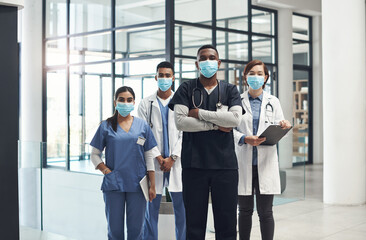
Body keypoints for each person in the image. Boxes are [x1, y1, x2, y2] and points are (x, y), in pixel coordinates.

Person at [168, 44, 244, 240]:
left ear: (218, 63)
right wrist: (217, 124)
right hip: (194, 165)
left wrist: (200, 114)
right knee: (194, 224)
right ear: (197, 64)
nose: (208, 61)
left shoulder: (230, 89)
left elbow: (235, 119)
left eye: (212, 58)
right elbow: (181, 122)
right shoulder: (186, 88)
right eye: (203, 58)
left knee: (227, 224)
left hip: (225, 166)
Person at [89, 86, 159, 240]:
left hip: (137, 184)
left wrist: (152, 185)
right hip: (114, 184)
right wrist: (107, 172)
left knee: (136, 231)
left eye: (129, 100)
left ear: (134, 102)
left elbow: (149, 156)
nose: (125, 102)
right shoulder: (106, 126)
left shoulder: (142, 126)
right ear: (115, 102)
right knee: (115, 231)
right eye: (121, 99)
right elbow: (94, 154)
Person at [233, 60, 292, 240]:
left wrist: (285, 125)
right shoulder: (237, 101)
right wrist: (244, 138)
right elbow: (229, 130)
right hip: (244, 163)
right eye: (252, 73)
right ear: (245, 76)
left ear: (266, 78)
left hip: (265, 163)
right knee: (244, 211)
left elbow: (281, 128)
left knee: (266, 213)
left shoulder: (273, 102)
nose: (255, 77)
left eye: (260, 73)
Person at [138, 61, 186, 240]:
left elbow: (184, 133)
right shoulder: (145, 104)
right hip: (154, 163)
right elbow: (143, 134)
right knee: (151, 211)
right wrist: (158, 156)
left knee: (182, 210)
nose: (164, 78)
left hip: (177, 163)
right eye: (161, 75)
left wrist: (173, 157)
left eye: (168, 75)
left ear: (173, 78)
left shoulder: (181, 103)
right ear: (156, 77)